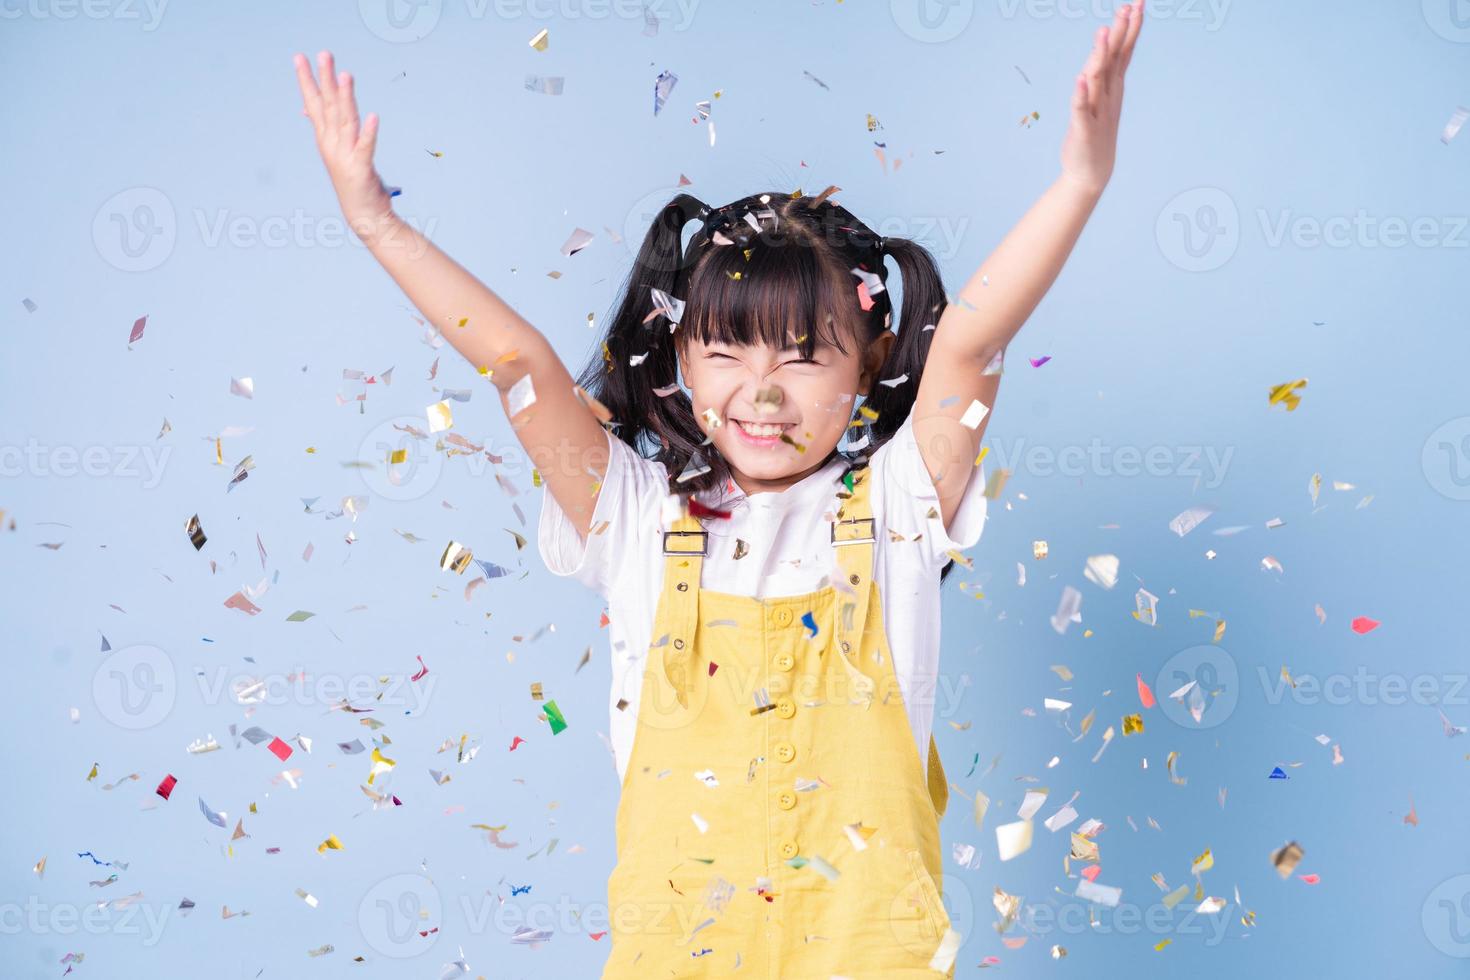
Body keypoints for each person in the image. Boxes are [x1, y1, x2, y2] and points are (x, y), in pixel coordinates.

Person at [293, 6, 1144, 973]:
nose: (765, 392)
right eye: (727, 350)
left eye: (806, 353)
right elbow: (518, 365)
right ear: (680, 366)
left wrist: (1080, 180)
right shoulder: (636, 522)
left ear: (865, 367)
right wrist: (376, 222)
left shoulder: (903, 510)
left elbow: (974, 343)